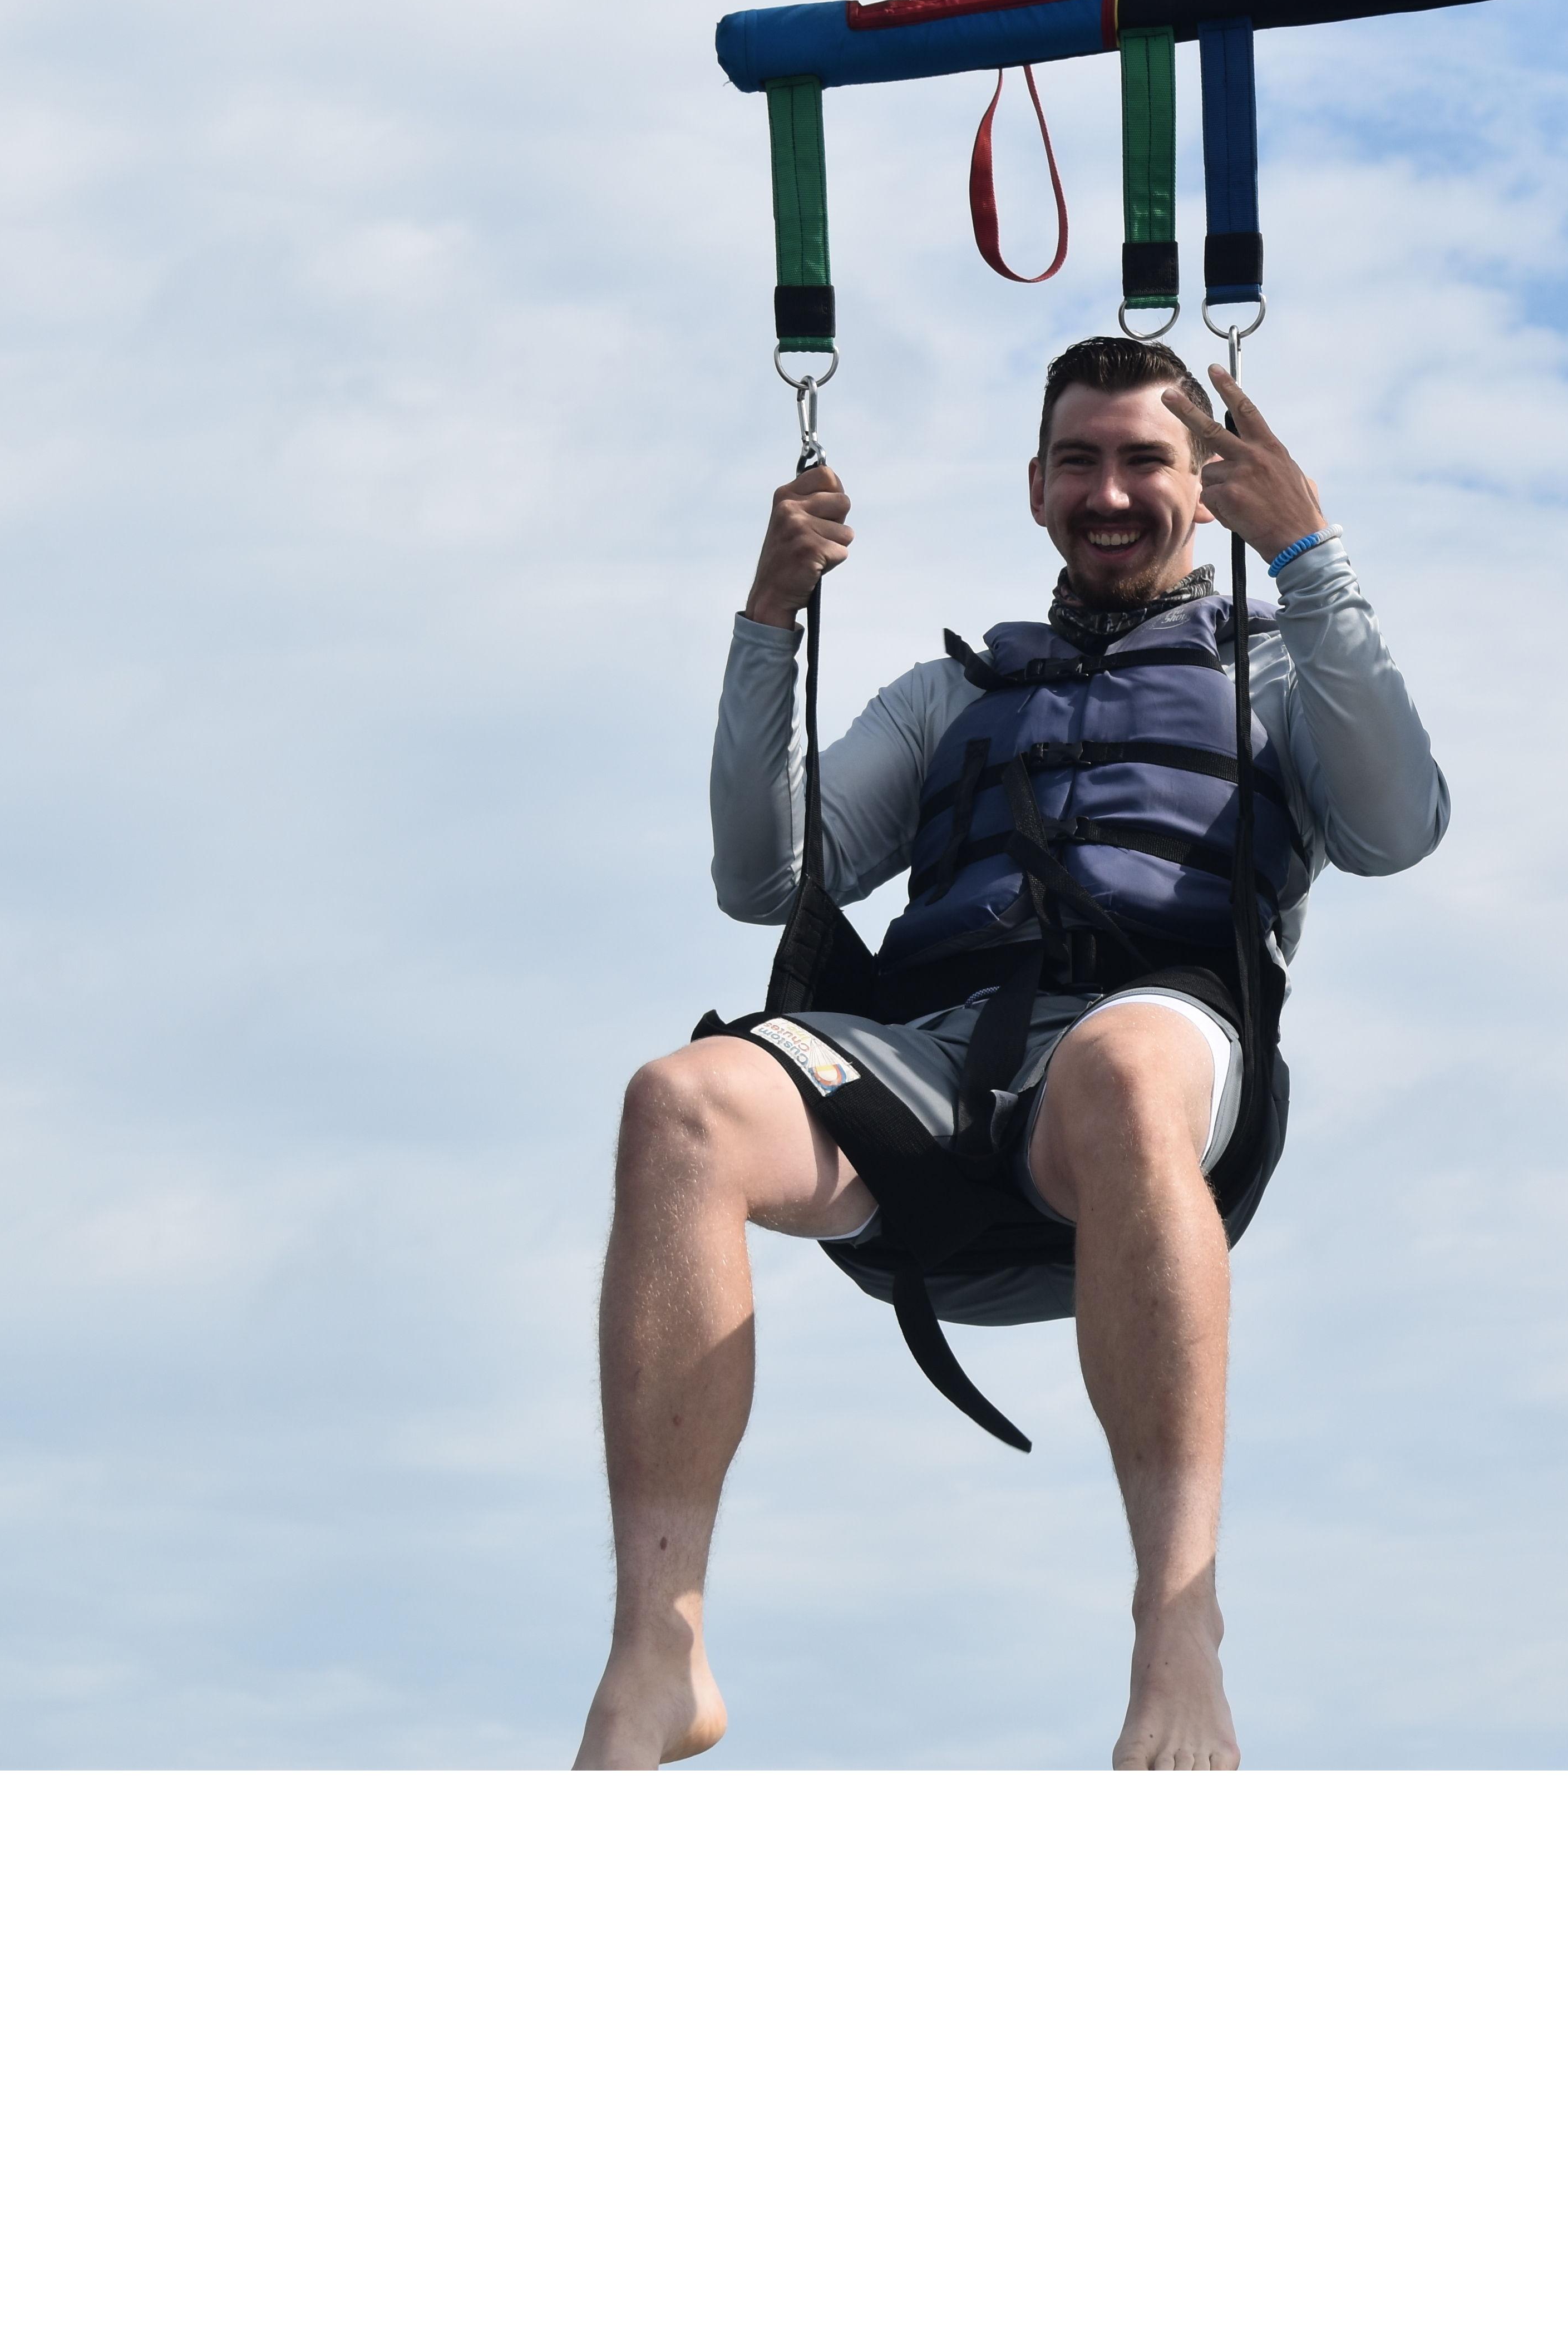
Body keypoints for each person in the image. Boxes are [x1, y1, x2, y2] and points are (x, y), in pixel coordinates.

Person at [573, 334, 1448, 1771]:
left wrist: (1307, 557)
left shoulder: (1281, 672)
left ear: (1207, 483)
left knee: (1118, 1065)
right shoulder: (952, 694)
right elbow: (763, 871)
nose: (1111, 492)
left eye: (1146, 462)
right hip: (938, 1083)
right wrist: (768, 620)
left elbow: (1396, 827)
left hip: (1152, 1072)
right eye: (1080, 463)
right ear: (1036, 489)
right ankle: (657, 1649)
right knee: (681, 1101)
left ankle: (1179, 1626)